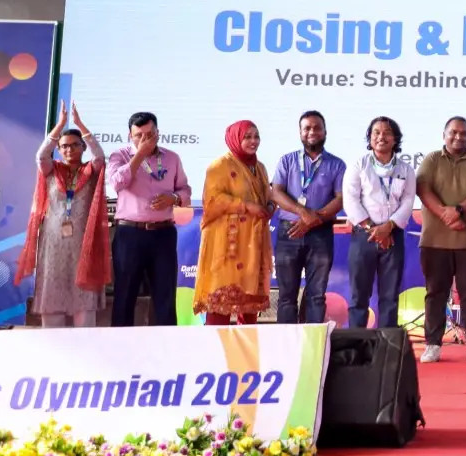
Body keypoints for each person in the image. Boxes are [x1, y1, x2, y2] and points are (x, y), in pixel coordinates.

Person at [15, 105, 108, 327]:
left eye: (75, 145)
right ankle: (53, 341)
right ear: (58, 148)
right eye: (64, 146)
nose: (69, 150)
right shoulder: (51, 170)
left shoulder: (91, 170)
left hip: (83, 241)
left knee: (83, 294)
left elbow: (99, 155)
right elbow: (41, 155)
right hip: (53, 241)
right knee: (52, 291)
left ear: (83, 147)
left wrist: (80, 124)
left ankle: (85, 341)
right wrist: (59, 125)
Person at [415, 116, 466, 364]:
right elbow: (422, 189)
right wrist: (446, 215)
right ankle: (432, 344)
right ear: (444, 134)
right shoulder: (431, 159)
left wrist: (458, 210)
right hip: (435, 241)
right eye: (453, 132)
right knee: (435, 294)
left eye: (463, 133)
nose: (458, 137)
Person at [107, 112, 191, 327]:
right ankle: (121, 344)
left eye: (149, 134)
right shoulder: (119, 156)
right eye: (139, 135)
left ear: (158, 133)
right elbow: (116, 184)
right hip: (130, 234)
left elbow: (184, 190)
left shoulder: (172, 157)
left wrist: (173, 198)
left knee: (165, 296)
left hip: (163, 234)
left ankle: (166, 343)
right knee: (125, 296)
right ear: (130, 136)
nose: (144, 139)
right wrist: (139, 155)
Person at [193, 121, 274, 325]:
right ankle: (215, 345)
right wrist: (246, 206)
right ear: (235, 139)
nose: (253, 141)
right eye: (247, 137)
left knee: (249, 305)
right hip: (228, 245)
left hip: (252, 245)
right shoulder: (219, 166)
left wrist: (270, 206)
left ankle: (245, 346)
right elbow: (212, 200)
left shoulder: (260, 167)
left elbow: (267, 195)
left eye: (256, 136)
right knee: (222, 302)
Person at [269, 111, 346, 324]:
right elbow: (276, 192)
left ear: (325, 132)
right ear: (300, 133)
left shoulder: (337, 165)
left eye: (317, 127)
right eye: (307, 128)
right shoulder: (287, 161)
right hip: (289, 231)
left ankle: (314, 343)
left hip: (320, 233)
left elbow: (341, 199)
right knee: (286, 297)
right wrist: (302, 213)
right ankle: (286, 342)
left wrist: (314, 220)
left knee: (316, 297)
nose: (312, 132)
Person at [342, 116, 417, 330]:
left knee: (390, 296)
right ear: (370, 137)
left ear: (395, 139)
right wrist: (373, 230)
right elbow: (350, 200)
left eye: (387, 133)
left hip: (393, 236)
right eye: (376, 132)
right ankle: (357, 343)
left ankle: (386, 345)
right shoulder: (359, 165)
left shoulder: (406, 169)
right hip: (363, 235)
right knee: (359, 296)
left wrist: (388, 228)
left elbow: (408, 201)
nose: (381, 137)